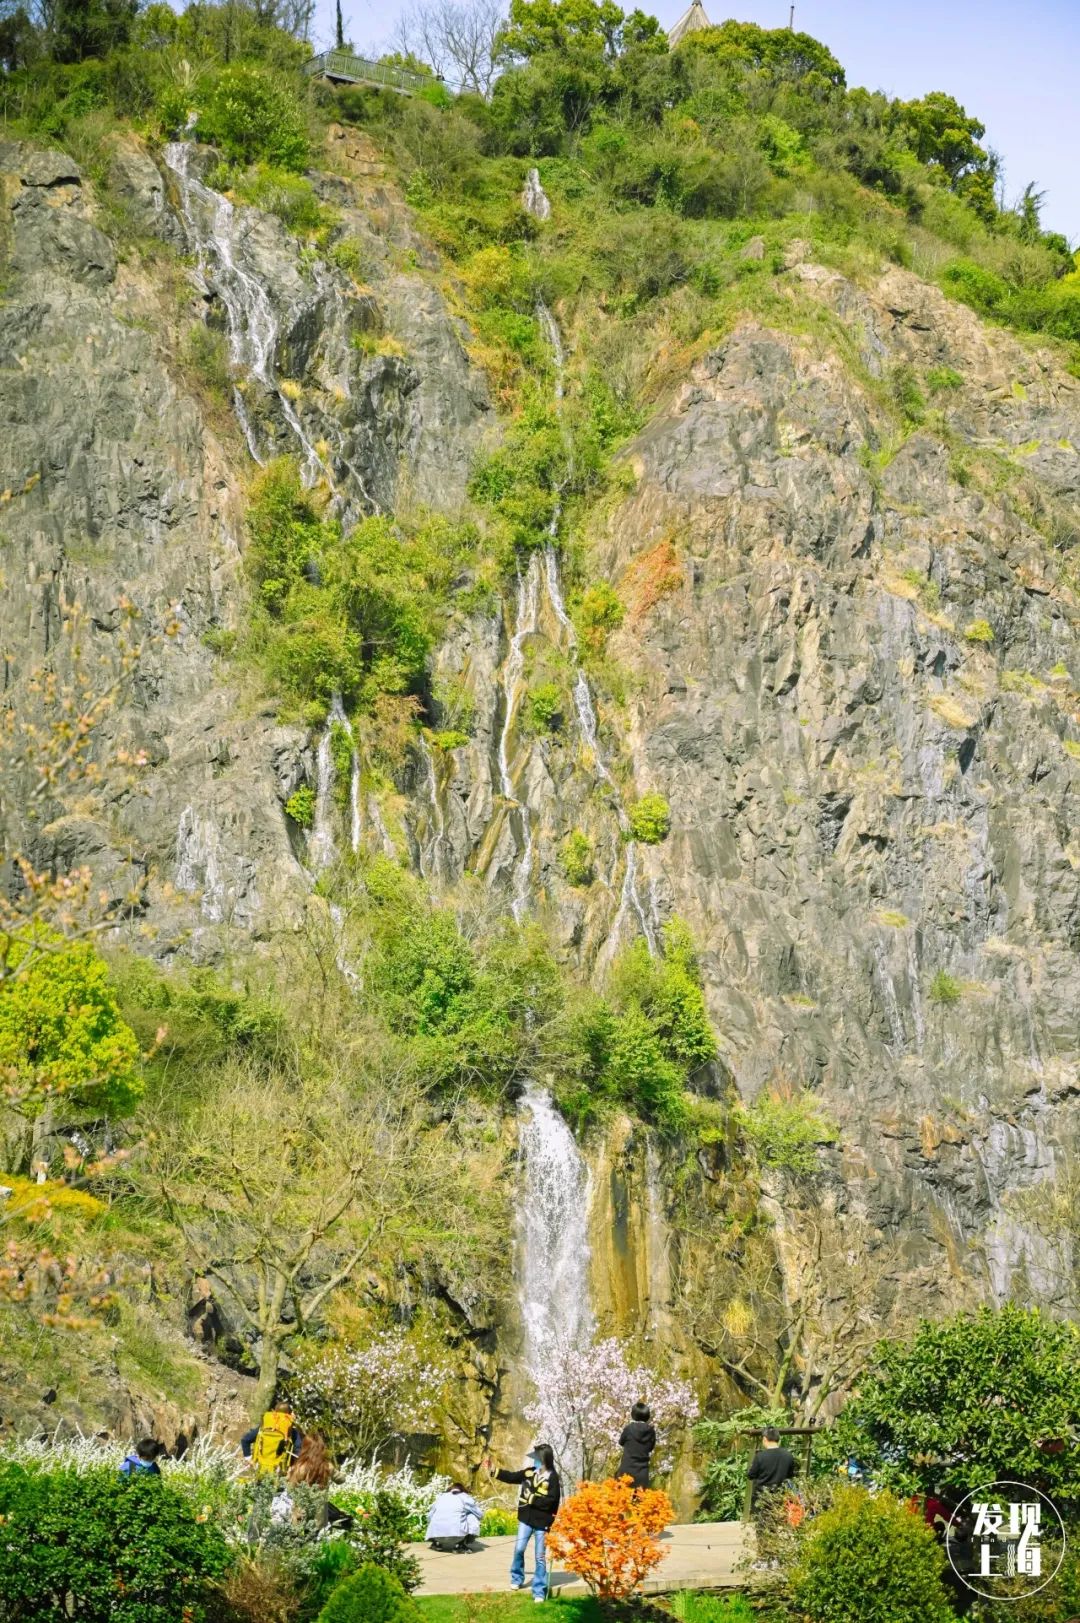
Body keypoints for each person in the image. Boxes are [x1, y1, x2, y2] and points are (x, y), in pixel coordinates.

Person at [484, 1444, 561, 1603]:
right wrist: (493, 1470)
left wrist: (533, 1499)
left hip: (542, 1522)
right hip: (525, 1518)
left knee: (540, 1557)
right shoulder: (529, 1472)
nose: (535, 1461)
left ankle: (538, 1590)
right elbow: (511, 1477)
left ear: (545, 1459)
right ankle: (517, 1578)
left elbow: (553, 1501)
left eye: (537, 1459)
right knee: (519, 1549)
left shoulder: (553, 1478)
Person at [240, 1403, 303, 1475]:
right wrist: (293, 1467)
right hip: (279, 1470)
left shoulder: (263, 1428)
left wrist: (249, 1459)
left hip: (259, 1467)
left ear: (274, 1412)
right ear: (289, 1414)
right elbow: (298, 1451)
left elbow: (245, 1440)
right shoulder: (292, 1431)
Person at [746, 1426, 797, 1508]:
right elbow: (790, 1475)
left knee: (760, 1519)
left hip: (762, 1498)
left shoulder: (760, 1456)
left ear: (765, 1439)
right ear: (778, 1439)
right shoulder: (788, 1455)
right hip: (781, 1497)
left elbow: (751, 1475)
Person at [426, 1483, 483, 1552]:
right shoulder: (464, 1497)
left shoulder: (441, 1497)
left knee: (434, 1515)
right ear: (463, 1490)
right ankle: (460, 1545)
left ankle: (436, 1544)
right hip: (457, 1536)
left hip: (436, 1535)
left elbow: (429, 1516)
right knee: (471, 1515)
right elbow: (479, 1514)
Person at [617, 1401, 657, 1490]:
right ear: (647, 1416)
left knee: (623, 1499)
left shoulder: (628, 1429)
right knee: (639, 1500)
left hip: (627, 1469)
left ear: (633, 1415)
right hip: (642, 1471)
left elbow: (621, 1442)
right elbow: (650, 1448)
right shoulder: (651, 1432)